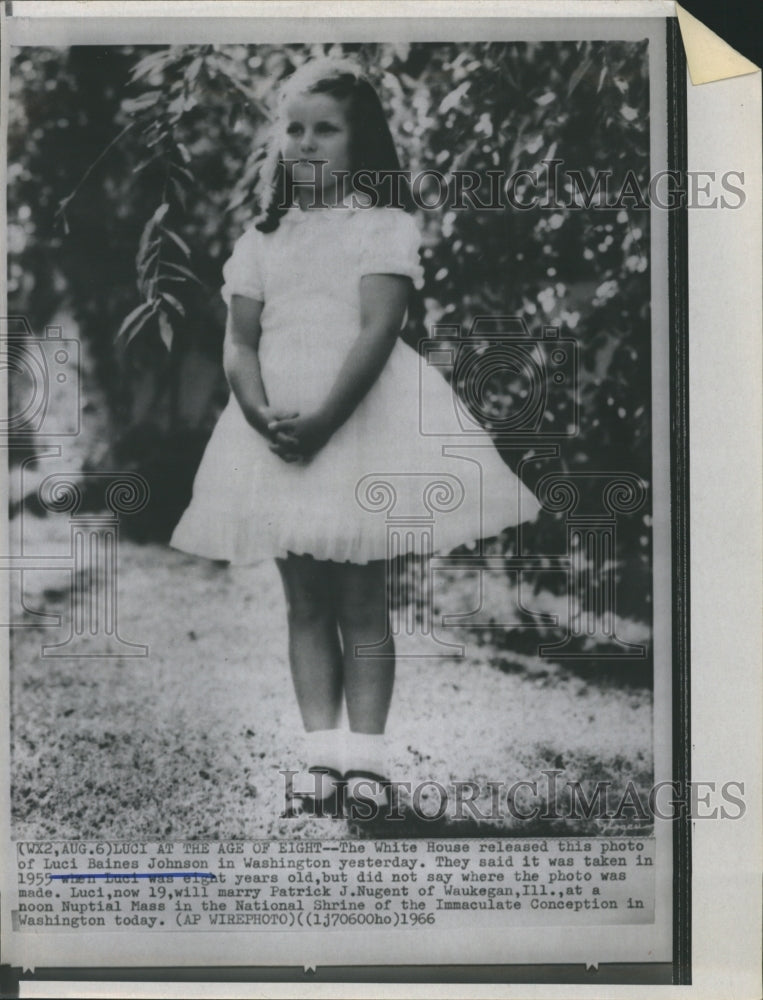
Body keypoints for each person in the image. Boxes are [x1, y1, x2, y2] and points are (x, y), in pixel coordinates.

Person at [170, 57, 541, 823]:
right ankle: (319, 760)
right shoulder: (261, 239)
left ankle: (366, 761)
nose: (304, 145)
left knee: (362, 600)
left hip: (359, 421)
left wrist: (327, 420)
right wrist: (256, 409)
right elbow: (238, 343)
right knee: (304, 600)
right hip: (274, 425)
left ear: (359, 141)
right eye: (293, 130)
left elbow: (380, 329)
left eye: (324, 130)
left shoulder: (383, 225)